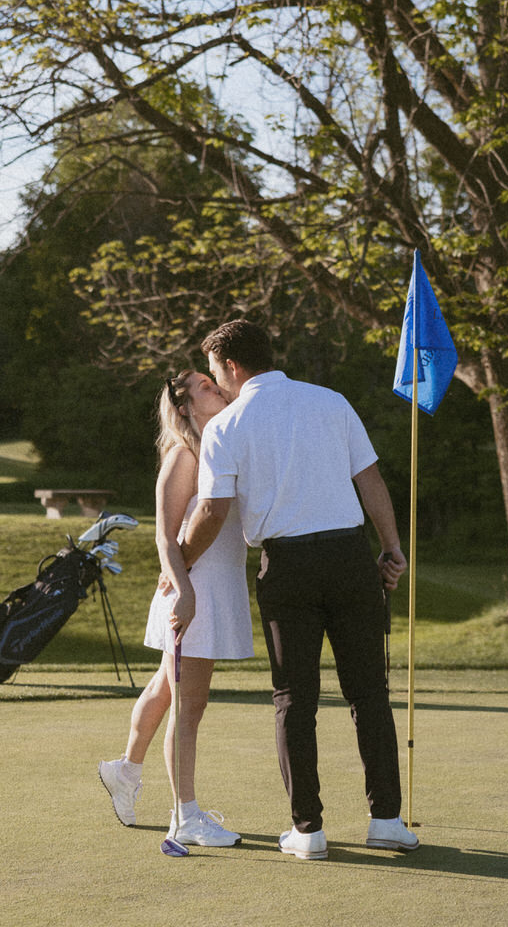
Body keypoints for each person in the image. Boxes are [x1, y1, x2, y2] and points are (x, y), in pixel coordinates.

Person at [181, 319, 416, 861]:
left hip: (287, 567)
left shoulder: (226, 426)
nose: (217, 383)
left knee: (295, 698)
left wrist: (180, 565)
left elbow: (214, 510)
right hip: (350, 557)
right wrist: (391, 548)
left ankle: (307, 831)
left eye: (216, 372)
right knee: (369, 693)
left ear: (233, 365)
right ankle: (386, 821)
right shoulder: (331, 401)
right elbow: (370, 481)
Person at [97, 370, 254, 847]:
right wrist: (184, 591)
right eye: (206, 386)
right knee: (191, 705)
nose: (218, 388)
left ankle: (123, 771)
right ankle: (185, 816)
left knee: (167, 690)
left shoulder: (222, 445)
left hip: (213, 584)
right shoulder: (182, 455)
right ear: (184, 407)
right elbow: (164, 536)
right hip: (193, 590)